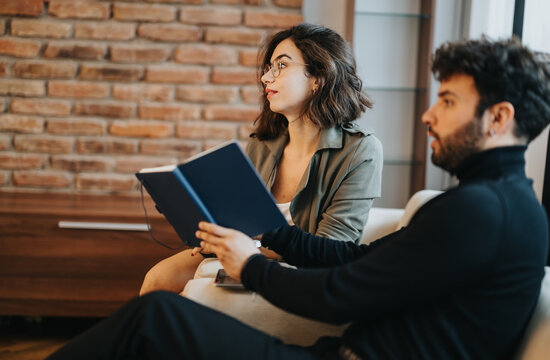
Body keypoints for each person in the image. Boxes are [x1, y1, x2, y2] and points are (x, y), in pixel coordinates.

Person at [47, 37, 550, 360]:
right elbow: (356, 260)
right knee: (156, 314)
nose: (428, 116)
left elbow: (339, 296)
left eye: (447, 101)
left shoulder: (481, 212)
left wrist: (250, 266)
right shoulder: (490, 203)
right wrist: (274, 233)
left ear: (499, 117)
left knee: (155, 319)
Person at [139, 23, 382, 295]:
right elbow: (239, 219)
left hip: (298, 272)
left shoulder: (361, 150)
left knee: (196, 294)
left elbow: (332, 249)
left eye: (281, 65)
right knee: (157, 278)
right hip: (241, 253)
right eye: (268, 68)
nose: (267, 78)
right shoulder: (263, 143)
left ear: (318, 77)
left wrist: (242, 242)